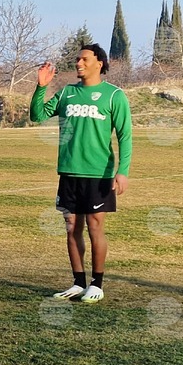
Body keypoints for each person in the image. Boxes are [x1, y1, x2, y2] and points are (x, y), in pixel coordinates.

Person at [30, 43, 132, 303]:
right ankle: (78, 283)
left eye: (84, 59)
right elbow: (37, 115)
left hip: (99, 174)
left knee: (95, 226)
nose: (78, 63)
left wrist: (122, 171)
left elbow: (125, 136)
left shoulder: (114, 96)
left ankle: (96, 285)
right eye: (77, 59)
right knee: (72, 227)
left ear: (100, 63)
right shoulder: (67, 93)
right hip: (69, 172)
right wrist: (41, 87)